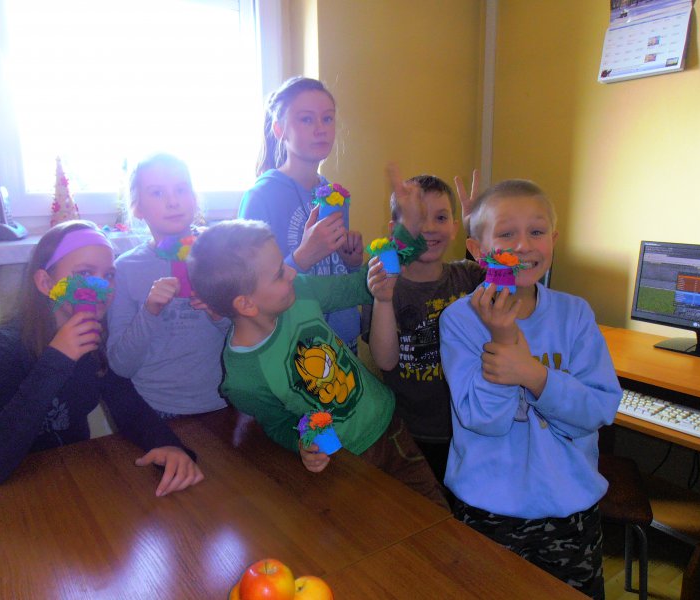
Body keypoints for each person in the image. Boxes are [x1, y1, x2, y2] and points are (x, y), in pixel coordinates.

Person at [188, 185, 448, 509]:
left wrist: (408, 231)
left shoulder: (300, 290)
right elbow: (278, 424)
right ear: (246, 304)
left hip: (391, 426)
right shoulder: (243, 379)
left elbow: (360, 286)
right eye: (279, 273)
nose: (291, 271)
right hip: (346, 464)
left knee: (437, 516)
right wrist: (303, 444)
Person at [0, 220, 202, 536]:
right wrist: (57, 359)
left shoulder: (93, 337)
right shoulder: (0, 351)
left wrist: (170, 446)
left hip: (63, 485)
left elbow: (128, 406)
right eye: (84, 273)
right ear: (45, 282)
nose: (101, 286)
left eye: (108, 275)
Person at [439, 180, 621, 599]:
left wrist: (534, 376)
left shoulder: (575, 315)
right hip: (490, 513)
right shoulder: (459, 321)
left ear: (553, 240)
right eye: (506, 233)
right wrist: (503, 337)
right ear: (478, 249)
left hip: (570, 513)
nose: (523, 245)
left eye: (537, 232)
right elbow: (484, 420)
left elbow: (598, 409)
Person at [362, 174, 484, 486]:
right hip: (411, 433)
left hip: (468, 428)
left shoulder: (470, 276)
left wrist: (480, 230)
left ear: (454, 227)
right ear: (394, 230)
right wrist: (383, 299)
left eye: (440, 218)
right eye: (417, 218)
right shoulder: (384, 287)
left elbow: (512, 287)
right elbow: (386, 361)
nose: (429, 227)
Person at [238, 76, 364, 353]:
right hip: (294, 345)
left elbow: (335, 272)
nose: (321, 129)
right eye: (306, 119)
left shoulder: (335, 195)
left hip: (342, 341)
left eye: (327, 119)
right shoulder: (261, 197)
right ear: (279, 129)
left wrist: (351, 262)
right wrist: (304, 255)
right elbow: (249, 292)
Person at [107, 153, 229, 418]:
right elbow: (120, 365)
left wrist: (218, 314)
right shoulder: (126, 269)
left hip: (226, 402)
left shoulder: (222, 256)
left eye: (181, 189)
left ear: (194, 198)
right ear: (137, 208)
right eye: (157, 192)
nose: (173, 201)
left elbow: (255, 338)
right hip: (154, 409)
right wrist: (149, 310)